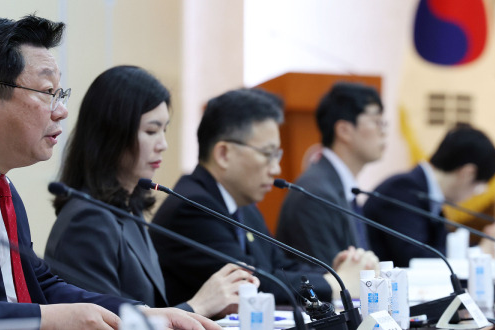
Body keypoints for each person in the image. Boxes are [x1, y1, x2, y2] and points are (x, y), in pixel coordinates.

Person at [0, 15, 218, 330]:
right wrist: (47, 320)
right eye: (47, 91)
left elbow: (40, 284)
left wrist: (139, 313)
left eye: (60, 94)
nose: (61, 109)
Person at [45, 65, 259, 318]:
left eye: (164, 129)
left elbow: (150, 309)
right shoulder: (87, 222)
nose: (163, 145)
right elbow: (107, 324)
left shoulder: (126, 208)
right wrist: (199, 306)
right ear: (112, 134)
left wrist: (211, 308)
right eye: (151, 131)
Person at [151, 88, 374, 306]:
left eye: (277, 155)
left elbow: (279, 266)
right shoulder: (193, 207)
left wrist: (333, 272)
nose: (276, 169)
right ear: (223, 154)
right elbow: (253, 284)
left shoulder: (241, 204)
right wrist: (337, 283)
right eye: (267, 154)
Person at [277, 82, 384, 265]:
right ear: (344, 130)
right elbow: (329, 278)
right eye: (376, 122)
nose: (384, 131)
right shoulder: (316, 194)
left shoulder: (339, 187)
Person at [363, 124, 495, 267]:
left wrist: (487, 245)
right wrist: (481, 251)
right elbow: (415, 258)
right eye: (479, 187)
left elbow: (441, 247)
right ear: (467, 173)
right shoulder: (402, 189)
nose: (474, 194)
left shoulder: (429, 194)